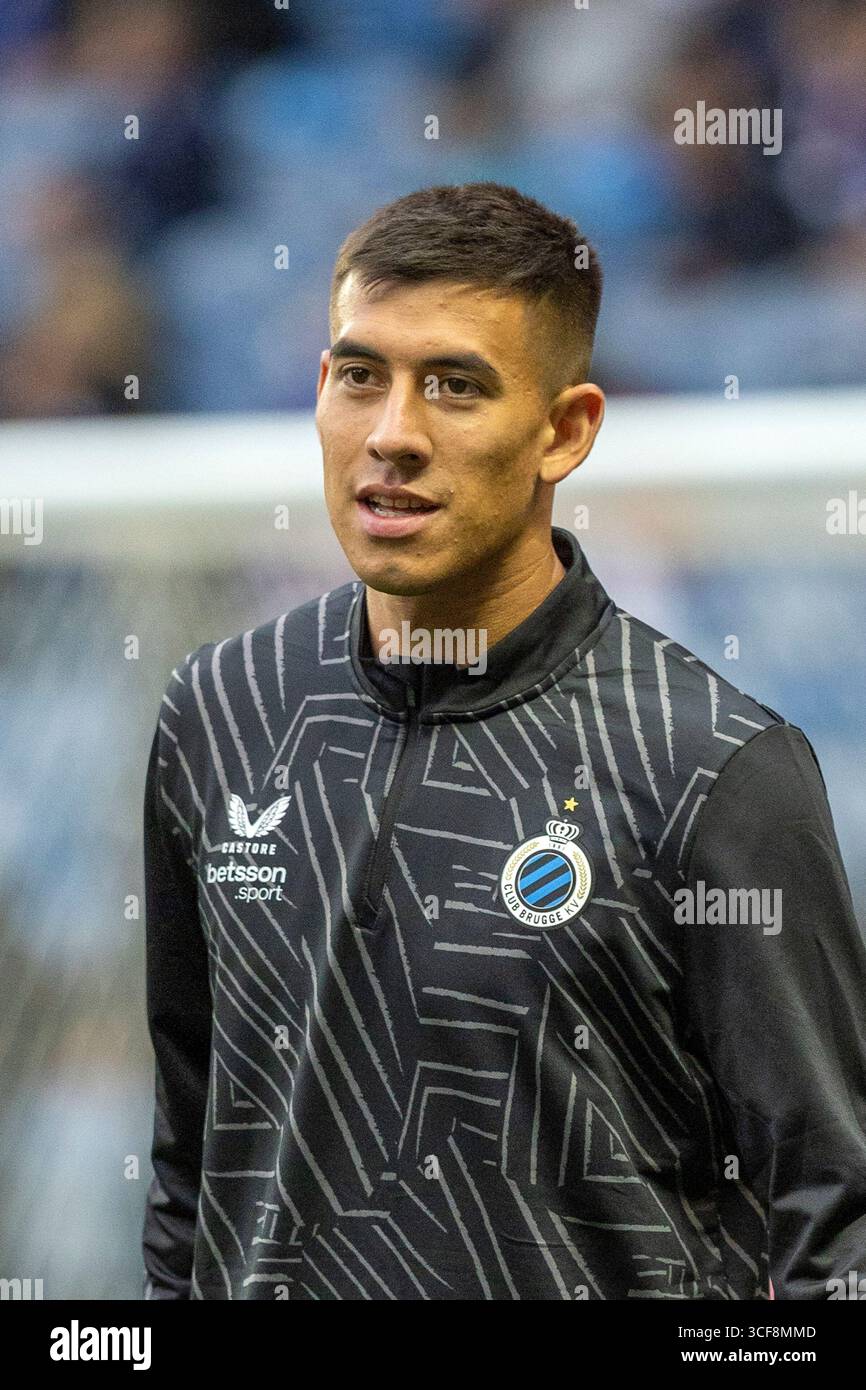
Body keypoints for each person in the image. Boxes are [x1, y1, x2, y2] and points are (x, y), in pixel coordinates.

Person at [142, 181, 866, 1300]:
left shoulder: (712, 770)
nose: (391, 435)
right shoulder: (219, 710)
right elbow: (191, 1171)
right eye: (357, 376)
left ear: (564, 430)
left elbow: (831, 1233)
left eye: (455, 387)